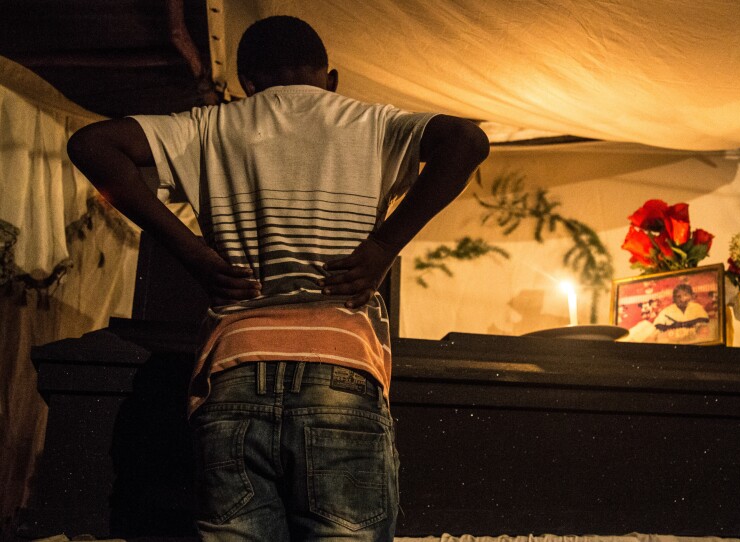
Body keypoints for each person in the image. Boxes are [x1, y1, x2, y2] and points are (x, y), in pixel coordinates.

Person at [67, 15, 489, 542]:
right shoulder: (376, 123)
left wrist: (192, 253)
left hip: (234, 364)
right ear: (330, 79)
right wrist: (382, 246)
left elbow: (91, 144)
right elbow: (467, 141)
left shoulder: (207, 126)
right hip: (340, 364)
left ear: (247, 82)